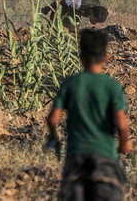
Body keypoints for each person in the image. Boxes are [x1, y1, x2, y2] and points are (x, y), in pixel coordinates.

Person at [46, 29, 131, 201]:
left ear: (80, 56)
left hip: (76, 159)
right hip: (105, 159)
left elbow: (53, 118)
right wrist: (124, 145)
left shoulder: (71, 83)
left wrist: (53, 136)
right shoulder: (111, 86)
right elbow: (122, 125)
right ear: (106, 57)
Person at [42, 0, 108, 30]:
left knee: (74, 29)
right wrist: (46, 9)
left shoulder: (98, 7)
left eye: (97, 22)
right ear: (91, 12)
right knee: (54, 25)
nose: (94, 23)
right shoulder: (79, 2)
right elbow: (60, 2)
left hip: (76, 8)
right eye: (94, 20)